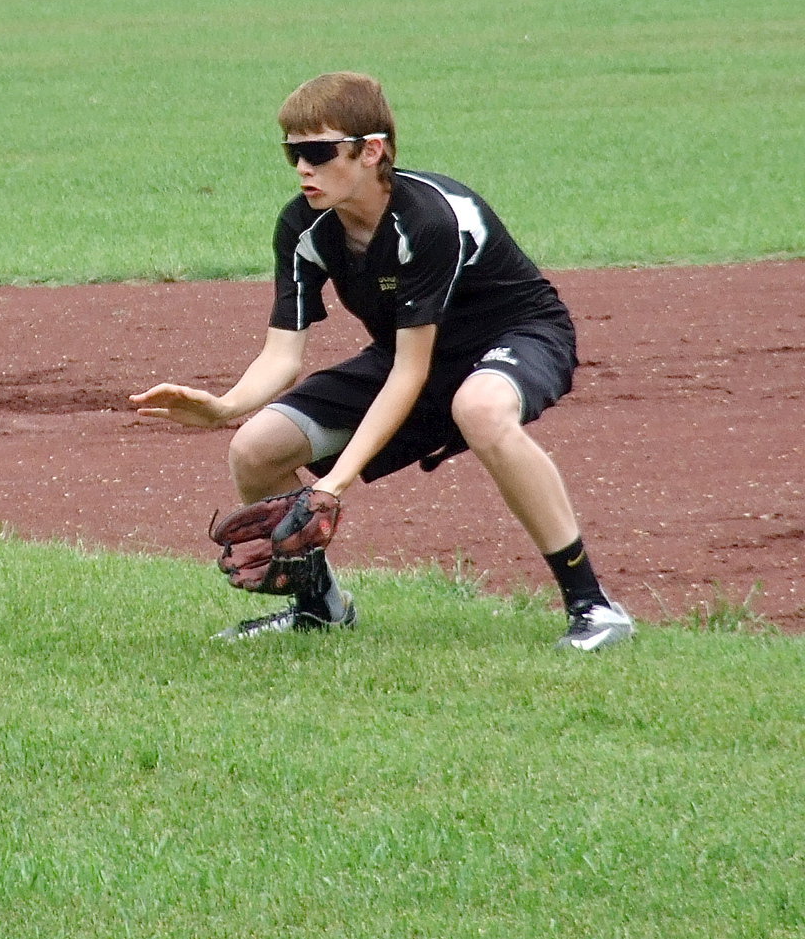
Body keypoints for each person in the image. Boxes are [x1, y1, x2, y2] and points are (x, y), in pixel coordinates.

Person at [130, 71, 634, 651]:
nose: (302, 168)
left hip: (517, 335)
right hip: (407, 355)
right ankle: (319, 609)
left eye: (317, 151)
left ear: (372, 151)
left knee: (480, 407)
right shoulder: (304, 225)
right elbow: (282, 353)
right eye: (292, 152)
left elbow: (412, 372)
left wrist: (334, 486)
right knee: (255, 447)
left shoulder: (429, 219)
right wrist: (224, 408)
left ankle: (594, 608)